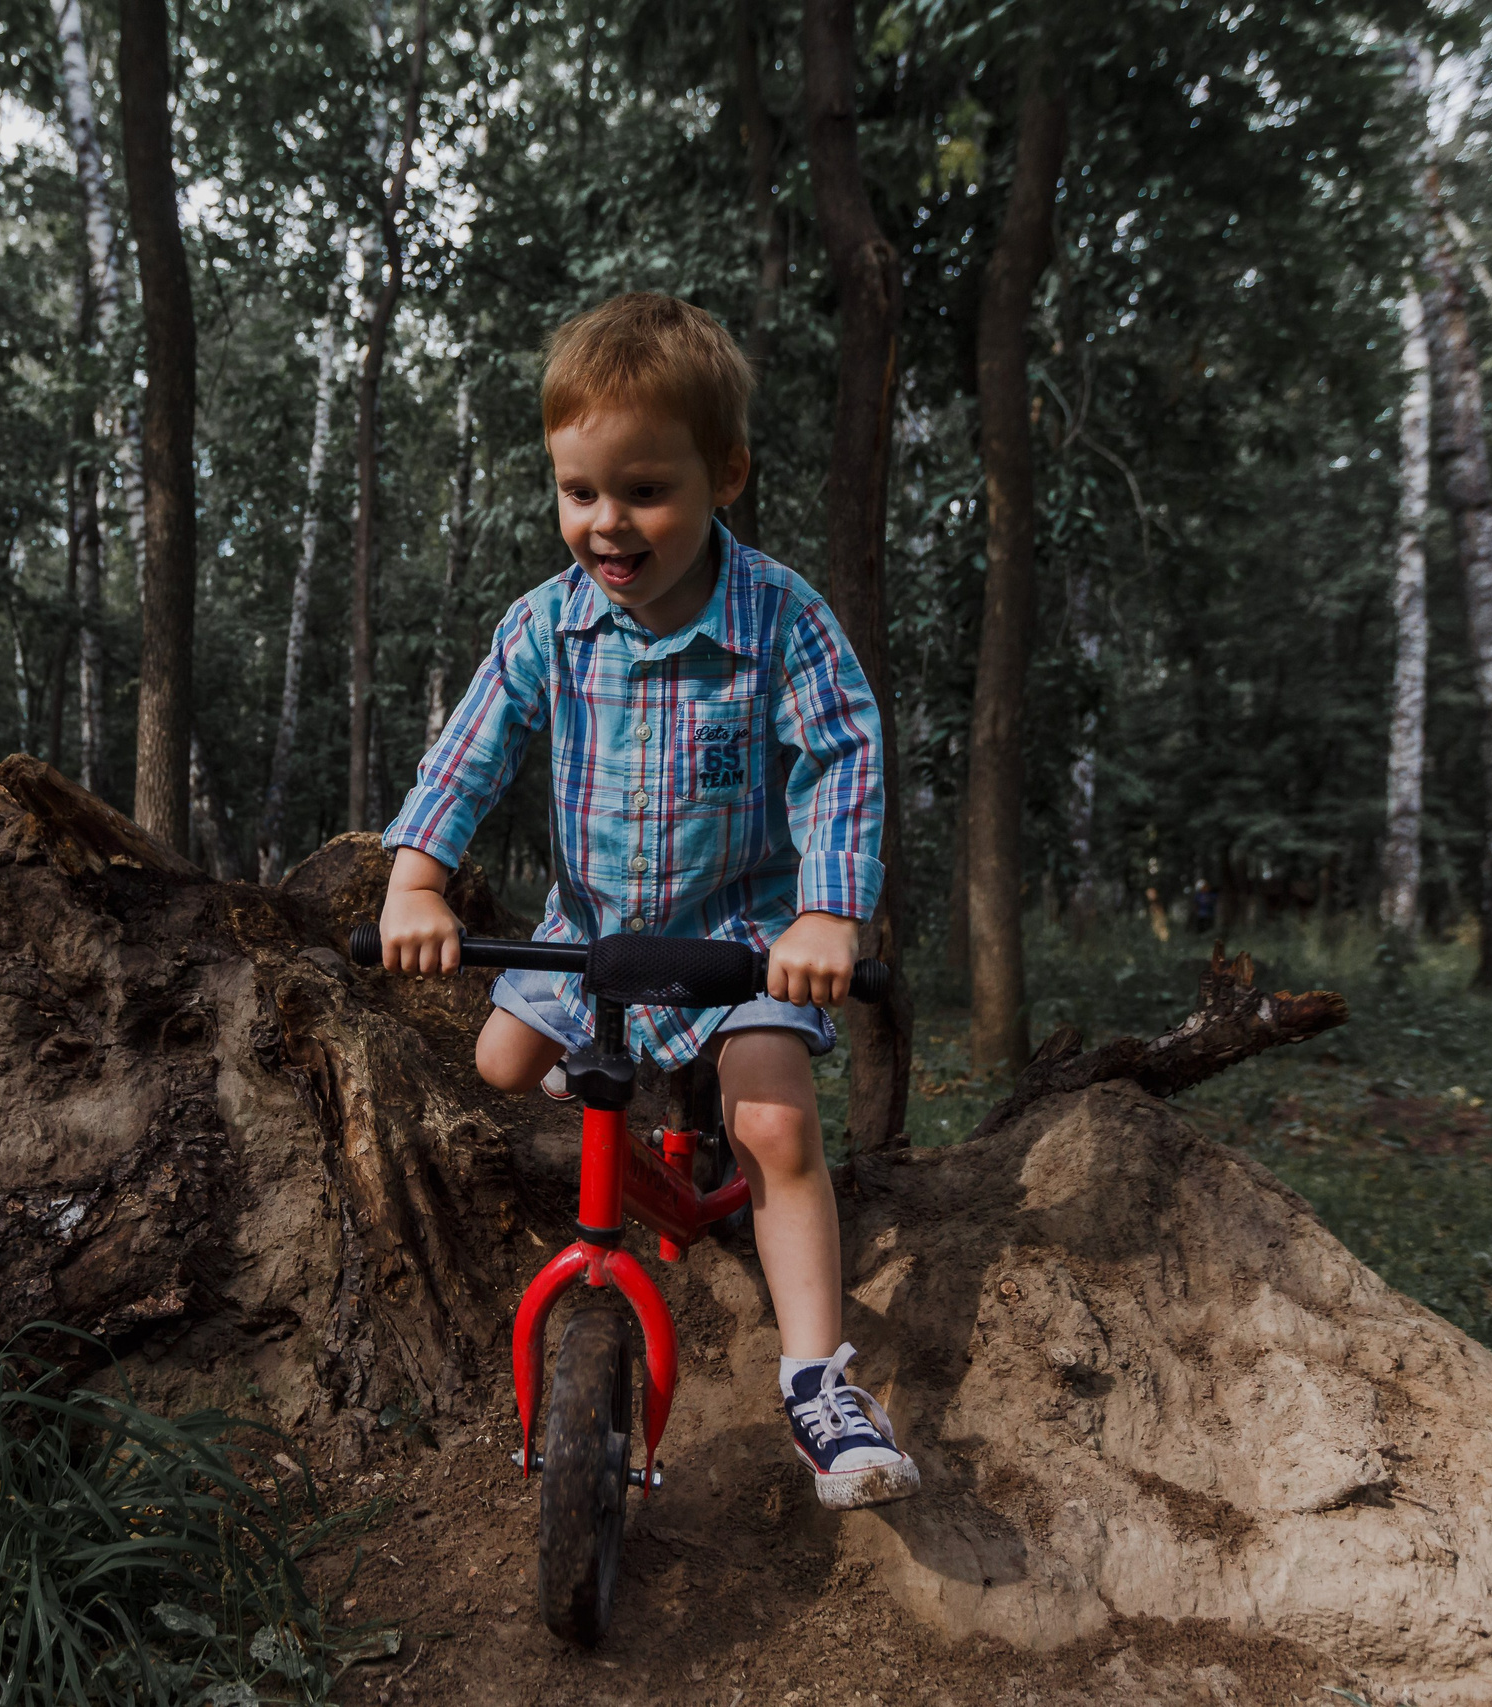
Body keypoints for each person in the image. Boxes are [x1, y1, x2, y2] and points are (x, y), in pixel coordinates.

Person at [373, 293, 918, 1511]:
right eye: (578, 493)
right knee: (506, 1061)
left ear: (725, 474)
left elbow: (843, 754)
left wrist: (827, 915)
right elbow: (466, 757)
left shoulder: (779, 619)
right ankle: (661, 1166)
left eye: (643, 491)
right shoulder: (544, 627)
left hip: (741, 929)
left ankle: (817, 1383)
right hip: (594, 924)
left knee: (773, 1127)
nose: (605, 525)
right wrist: (417, 877)